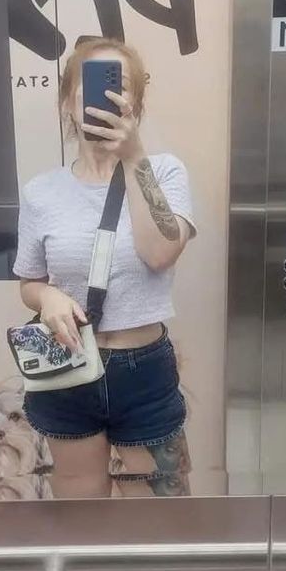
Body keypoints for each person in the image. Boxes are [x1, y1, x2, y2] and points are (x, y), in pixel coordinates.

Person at [12, 38, 196, 498]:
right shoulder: (41, 192)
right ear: (68, 102)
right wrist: (47, 296)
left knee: (161, 512)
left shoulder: (163, 171)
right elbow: (30, 282)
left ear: (136, 103)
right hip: (68, 363)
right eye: (93, 84)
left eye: (121, 85)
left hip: (144, 368)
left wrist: (133, 157)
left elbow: (161, 253)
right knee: (80, 511)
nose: (109, 96)